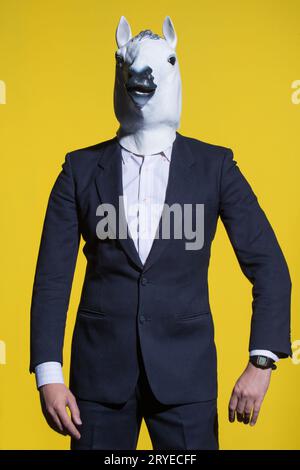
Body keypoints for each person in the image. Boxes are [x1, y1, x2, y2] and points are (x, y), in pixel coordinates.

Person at [30, 16, 292, 450]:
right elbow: (52, 279)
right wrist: (48, 375)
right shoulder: (78, 171)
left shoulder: (216, 167)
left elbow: (269, 267)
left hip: (186, 384)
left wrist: (261, 360)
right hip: (97, 386)